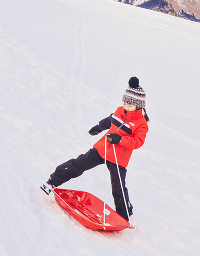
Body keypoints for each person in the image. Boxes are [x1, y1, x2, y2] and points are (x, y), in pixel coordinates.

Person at [40, 77, 149, 221]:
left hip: (118, 158)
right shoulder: (119, 111)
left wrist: (120, 140)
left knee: (118, 187)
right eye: (124, 103)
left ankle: (124, 215)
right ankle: (52, 182)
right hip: (102, 149)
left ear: (138, 105)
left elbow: (138, 142)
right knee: (78, 164)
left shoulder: (141, 124)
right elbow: (109, 120)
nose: (125, 107)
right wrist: (98, 128)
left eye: (129, 105)